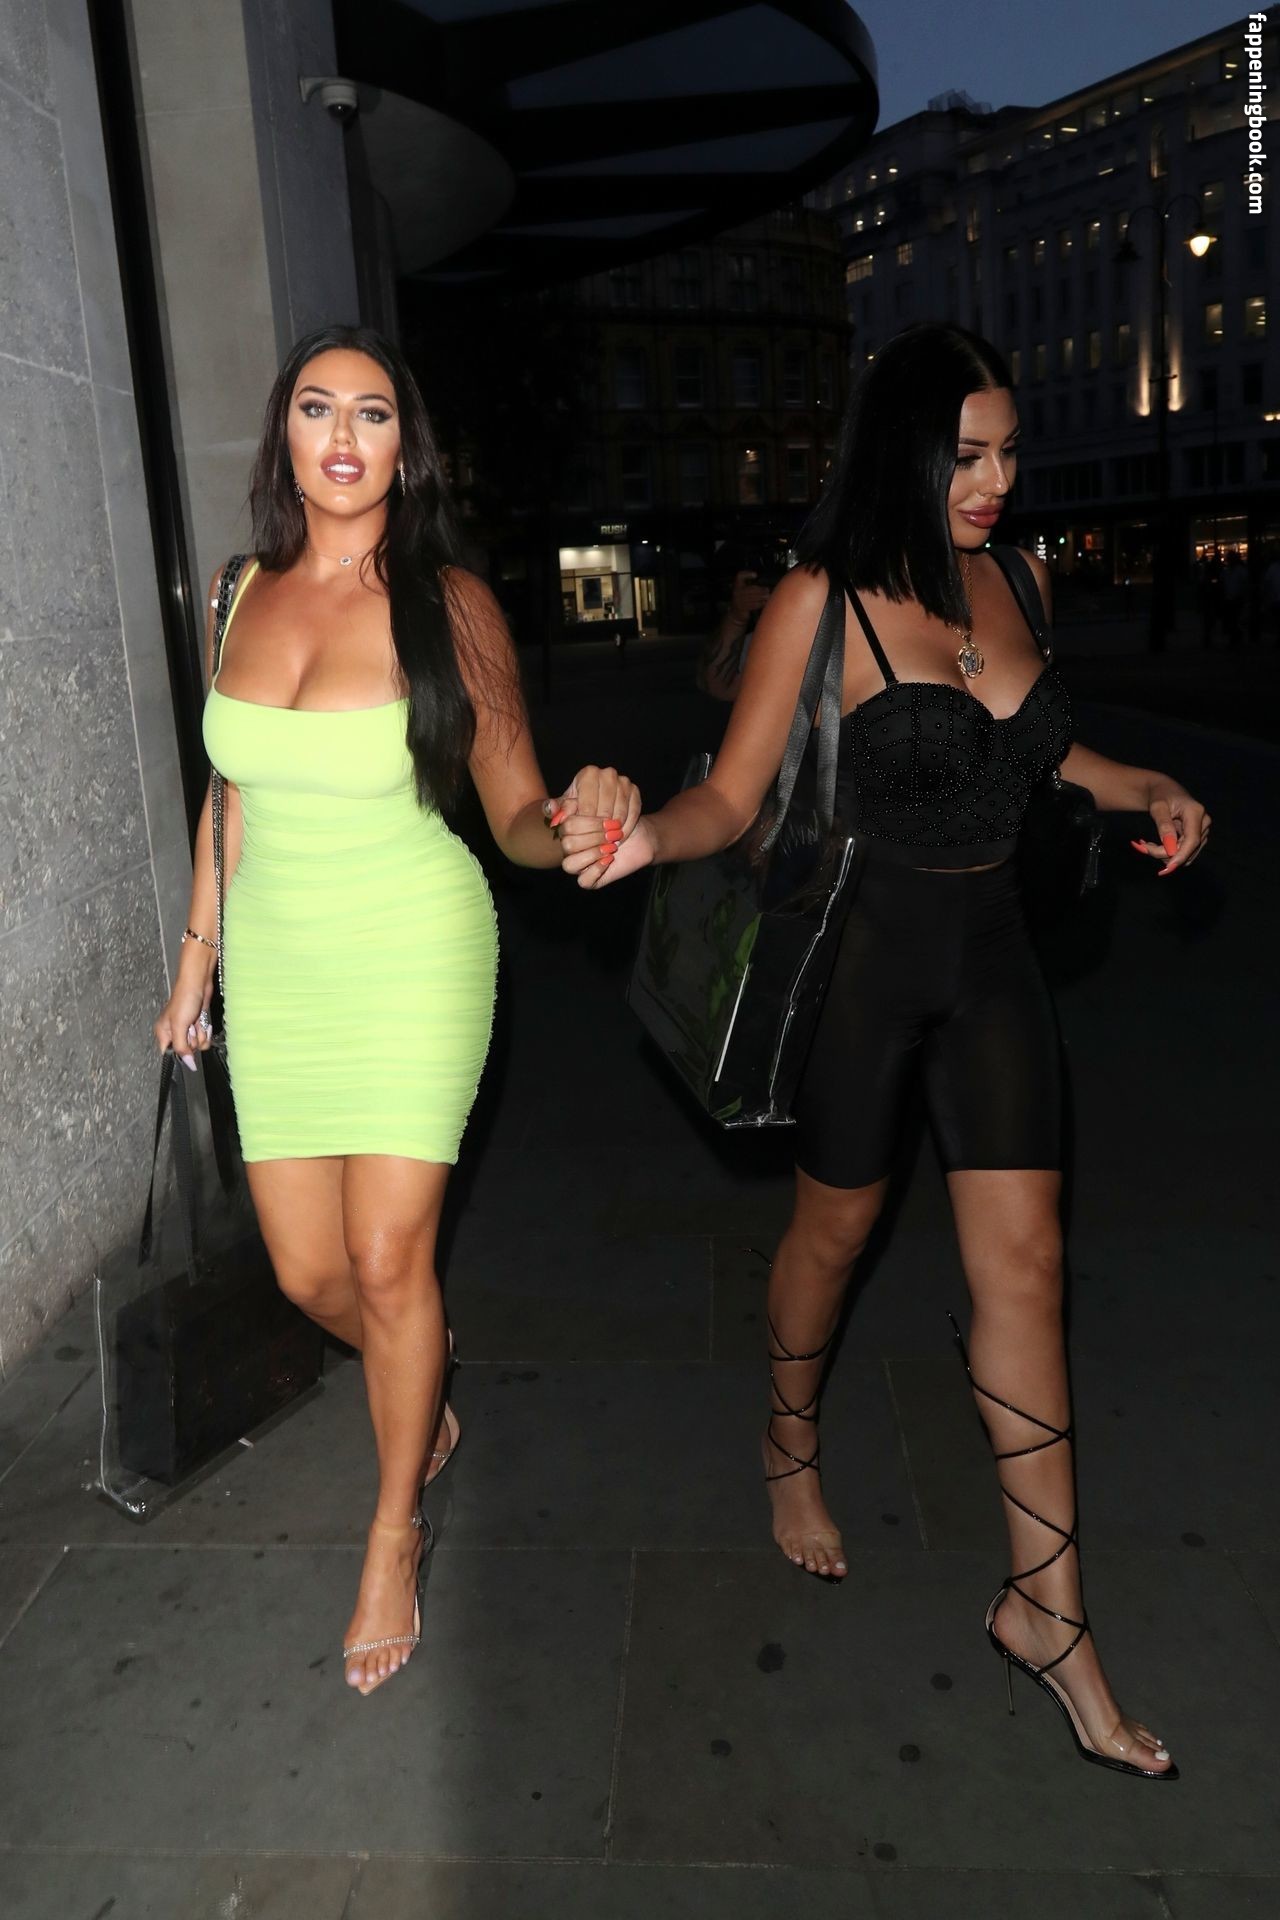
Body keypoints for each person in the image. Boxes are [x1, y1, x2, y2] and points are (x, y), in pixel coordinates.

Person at [559, 324, 1210, 1780]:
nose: (996, 481)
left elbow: (1037, 750)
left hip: (1000, 973)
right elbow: (736, 796)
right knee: (835, 1236)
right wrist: (644, 837)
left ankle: (1051, 1613)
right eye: (966, 455)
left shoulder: (1019, 580)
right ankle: (788, 1441)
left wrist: (1144, 782)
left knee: (1027, 1270)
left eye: (1010, 454)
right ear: (907, 449)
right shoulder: (824, 598)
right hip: (865, 977)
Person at [153, 325, 639, 1696]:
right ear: (285, 435)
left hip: (418, 953)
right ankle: (417, 1378)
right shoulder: (239, 591)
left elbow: (515, 812)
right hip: (279, 966)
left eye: (373, 414)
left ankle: (392, 1531)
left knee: (384, 1258)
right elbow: (230, 790)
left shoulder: (451, 606)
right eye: (318, 408)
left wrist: (578, 821)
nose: (344, 435)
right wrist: (195, 961)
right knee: (309, 1275)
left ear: (406, 450)